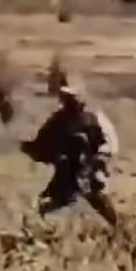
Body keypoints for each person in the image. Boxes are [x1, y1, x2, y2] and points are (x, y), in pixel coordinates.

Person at [21, 83, 119, 227]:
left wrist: (100, 157)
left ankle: (117, 227)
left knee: (97, 196)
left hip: (90, 165)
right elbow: (42, 142)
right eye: (67, 99)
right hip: (67, 167)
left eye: (72, 98)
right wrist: (27, 147)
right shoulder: (59, 120)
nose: (69, 102)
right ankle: (41, 225)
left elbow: (108, 142)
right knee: (59, 198)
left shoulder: (93, 117)